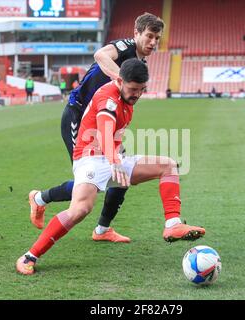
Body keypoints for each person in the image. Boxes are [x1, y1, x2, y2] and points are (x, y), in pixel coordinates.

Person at [16, 59, 206, 275]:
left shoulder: (128, 96)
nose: (136, 94)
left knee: (168, 166)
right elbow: (105, 129)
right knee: (80, 210)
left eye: (141, 90)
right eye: (132, 89)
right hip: (91, 158)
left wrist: (117, 158)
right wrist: (114, 160)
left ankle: (172, 224)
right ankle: (29, 256)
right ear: (119, 80)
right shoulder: (109, 98)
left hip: (114, 157)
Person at [28, 12, 165, 243]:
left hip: (105, 121)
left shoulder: (140, 63)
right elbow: (100, 54)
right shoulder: (125, 47)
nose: (153, 42)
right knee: (87, 182)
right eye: (149, 36)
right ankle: (40, 198)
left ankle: (102, 229)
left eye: (157, 38)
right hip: (79, 117)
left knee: (119, 174)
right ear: (136, 34)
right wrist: (119, 79)